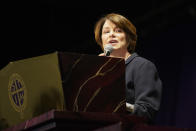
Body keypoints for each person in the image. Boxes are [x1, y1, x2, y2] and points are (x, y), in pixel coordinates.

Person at [94, 13, 162, 122]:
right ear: (101, 40)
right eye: (106, 32)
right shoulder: (98, 72)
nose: (111, 34)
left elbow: (147, 110)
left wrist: (120, 105)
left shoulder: (142, 66)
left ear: (129, 38)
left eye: (118, 31)